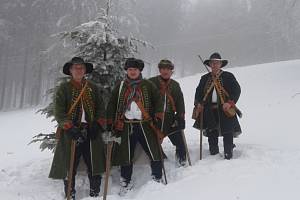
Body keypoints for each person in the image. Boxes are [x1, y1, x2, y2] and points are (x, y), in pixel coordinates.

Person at [48, 57, 106, 199]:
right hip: (71, 133)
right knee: (70, 166)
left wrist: (97, 124)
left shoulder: (92, 87)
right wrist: (69, 128)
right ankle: (70, 194)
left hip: (91, 130)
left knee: (95, 164)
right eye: (76, 68)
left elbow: (100, 108)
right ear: (70, 71)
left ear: (85, 70)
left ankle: (95, 194)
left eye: (81, 68)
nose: (79, 70)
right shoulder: (64, 89)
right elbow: (59, 111)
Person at [106, 57, 164, 195]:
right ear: (127, 70)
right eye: (130, 69)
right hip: (125, 125)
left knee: (154, 151)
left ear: (140, 71)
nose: (132, 72)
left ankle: (157, 177)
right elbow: (112, 104)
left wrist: (158, 115)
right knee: (125, 155)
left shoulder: (148, 85)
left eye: (135, 69)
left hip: (145, 124)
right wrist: (109, 122)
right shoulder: (120, 86)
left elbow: (158, 101)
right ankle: (125, 182)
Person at [193, 52, 242, 160]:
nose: (214, 65)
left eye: (217, 63)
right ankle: (213, 153)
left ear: (220, 64)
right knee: (211, 131)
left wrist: (229, 103)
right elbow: (198, 93)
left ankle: (228, 153)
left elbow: (236, 90)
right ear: (209, 65)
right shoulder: (204, 78)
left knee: (227, 131)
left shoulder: (228, 76)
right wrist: (198, 104)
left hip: (225, 108)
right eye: (212, 63)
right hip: (209, 109)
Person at [149, 59, 187, 166]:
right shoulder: (151, 82)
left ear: (171, 71)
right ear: (160, 70)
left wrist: (180, 117)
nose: (165, 71)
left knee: (180, 142)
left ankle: (181, 160)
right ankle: (158, 161)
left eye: (168, 69)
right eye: (163, 69)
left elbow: (180, 102)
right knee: (153, 142)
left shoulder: (175, 85)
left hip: (170, 118)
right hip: (155, 118)